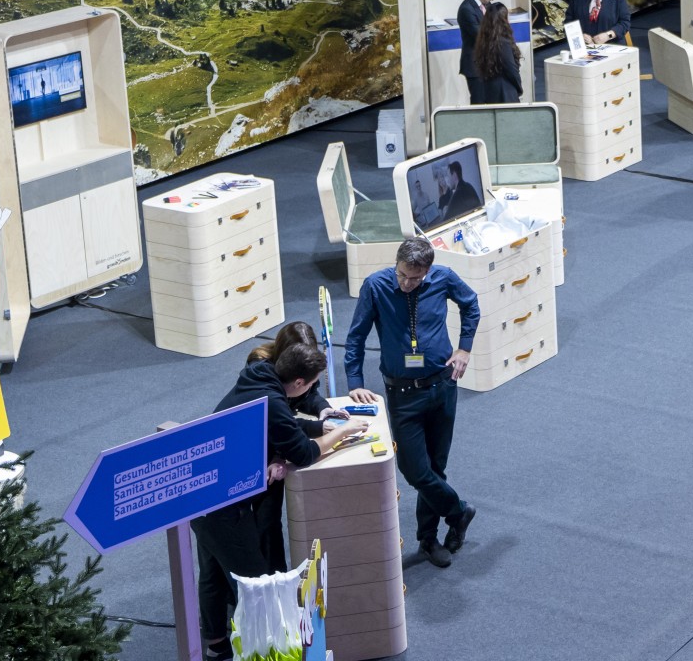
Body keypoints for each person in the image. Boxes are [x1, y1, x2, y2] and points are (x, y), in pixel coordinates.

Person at [189, 342, 366, 659]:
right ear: (298, 382)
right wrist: (343, 431)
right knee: (258, 589)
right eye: (311, 385)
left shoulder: (259, 375)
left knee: (213, 572)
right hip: (223, 507)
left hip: (200, 494)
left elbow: (281, 423)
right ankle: (260, 650)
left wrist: (314, 426)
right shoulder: (273, 401)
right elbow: (304, 452)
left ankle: (216, 645)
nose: (310, 391)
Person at [343, 237, 484, 566]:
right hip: (402, 395)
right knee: (414, 469)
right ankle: (459, 512)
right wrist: (355, 382)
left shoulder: (444, 277)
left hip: (443, 386)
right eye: (402, 275)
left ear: (428, 271)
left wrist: (464, 348)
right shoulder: (375, 286)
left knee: (435, 468)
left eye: (415, 278)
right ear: (397, 264)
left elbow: (471, 304)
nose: (406, 283)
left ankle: (428, 540)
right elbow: (355, 337)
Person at [456, 0, 505, 95]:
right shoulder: (466, 9)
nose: (492, 0)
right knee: (479, 102)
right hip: (475, 66)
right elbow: (481, 37)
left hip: (489, 63)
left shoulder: (487, 5)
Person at [466, 1, 522, 105]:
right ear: (503, 20)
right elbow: (511, 70)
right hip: (505, 92)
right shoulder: (503, 42)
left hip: (491, 91)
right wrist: (519, 88)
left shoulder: (484, 40)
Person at [413, 161, 485, 231]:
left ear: (454, 175)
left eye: (447, 176)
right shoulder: (468, 185)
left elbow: (445, 221)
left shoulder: (458, 193)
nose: (446, 180)